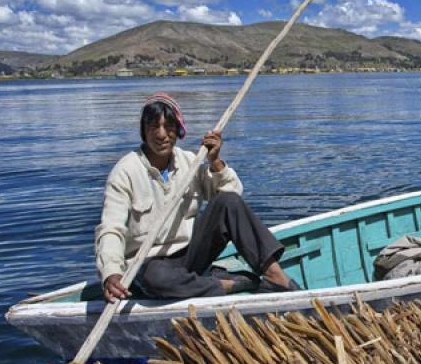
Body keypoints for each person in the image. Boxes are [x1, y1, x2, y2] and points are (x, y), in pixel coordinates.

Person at [95, 93, 300, 303]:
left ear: (179, 130)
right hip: (149, 264)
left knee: (227, 201)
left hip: (190, 255)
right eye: (153, 127)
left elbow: (232, 194)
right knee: (156, 277)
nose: (162, 135)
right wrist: (112, 273)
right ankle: (225, 284)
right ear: (143, 131)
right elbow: (111, 229)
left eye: (169, 127)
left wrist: (215, 162)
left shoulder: (190, 161)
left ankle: (276, 276)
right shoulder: (125, 171)